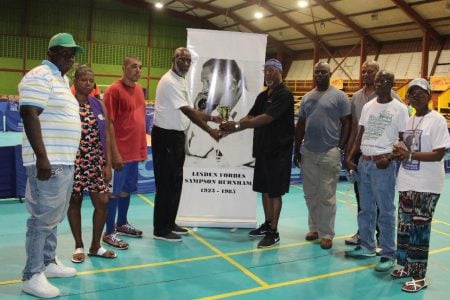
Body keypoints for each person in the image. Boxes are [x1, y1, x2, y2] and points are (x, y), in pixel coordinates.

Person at [18, 32, 83, 298]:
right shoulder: (39, 76)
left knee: (53, 216)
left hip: (63, 159)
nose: (69, 57)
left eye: (72, 53)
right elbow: (29, 113)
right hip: (48, 160)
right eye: (63, 52)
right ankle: (32, 274)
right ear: (50, 53)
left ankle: (48, 262)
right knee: (43, 218)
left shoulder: (61, 79)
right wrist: (42, 157)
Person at [220, 58, 294, 248]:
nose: (268, 74)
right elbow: (251, 116)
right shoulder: (263, 95)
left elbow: (265, 118)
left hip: (278, 152)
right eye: (266, 71)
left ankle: (274, 231)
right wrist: (231, 128)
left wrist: (236, 125)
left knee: (275, 192)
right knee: (264, 189)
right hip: (262, 150)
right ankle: (267, 223)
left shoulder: (284, 94)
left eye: (272, 70)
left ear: (280, 73)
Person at [152, 47, 221, 242]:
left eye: (188, 60)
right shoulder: (169, 82)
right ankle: (161, 229)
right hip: (166, 137)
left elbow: (193, 110)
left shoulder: (180, 81)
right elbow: (189, 112)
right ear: (173, 59)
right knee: (166, 184)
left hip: (176, 137)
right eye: (182, 59)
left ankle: (169, 222)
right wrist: (210, 131)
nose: (185, 63)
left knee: (175, 183)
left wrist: (212, 118)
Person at [345, 70, 409, 272]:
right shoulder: (367, 106)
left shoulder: (399, 109)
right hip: (364, 162)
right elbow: (360, 134)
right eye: (377, 80)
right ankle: (366, 245)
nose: (379, 83)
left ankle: (388, 253)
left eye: (384, 80)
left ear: (392, 83)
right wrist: (350, 156)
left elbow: (404, 140)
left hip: (383, 165)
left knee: (386, 210)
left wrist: (388, 157)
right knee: (366, 208)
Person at [391, 78, 450, 292]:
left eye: (420, 92)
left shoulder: (437, 120)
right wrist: (398, 154)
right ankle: (405, 266)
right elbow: (406, 150)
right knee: (405, 226)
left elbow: (438, 154)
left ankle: (419, 276)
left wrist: (410, 154)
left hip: (428, 184)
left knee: (419, 229)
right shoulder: (409, 120)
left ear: (429, 94)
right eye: (412, 93)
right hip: (407, 180)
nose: (416, 96)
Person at [293, 61, 351, 250]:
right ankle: (314, 228)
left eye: (323, 72)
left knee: (327, 195)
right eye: (316, 72)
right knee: (310, 194)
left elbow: (347, 123)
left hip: (329, 152)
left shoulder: (340, 96)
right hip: (308, 151)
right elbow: (300, 124)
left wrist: (340, 147)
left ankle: (327, 233)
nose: (319, 75)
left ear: (330, 74)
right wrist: (296, 149)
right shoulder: (307, 97)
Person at [67, 66, 117, 263]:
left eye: (91, 80)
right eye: (84, 80)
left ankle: (96, 245)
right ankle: (78, 245)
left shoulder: (98, 104)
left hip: (96, 160)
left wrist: (108, 163)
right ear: (75, 81)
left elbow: (106, 134)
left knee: (103, 203)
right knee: (75, 202)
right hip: (74, 161)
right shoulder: (67, 103)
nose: (88, 83)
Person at [102, 56, 148, 249]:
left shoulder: (139, 90)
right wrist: (115, 154)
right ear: (123, 68)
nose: (137, 70)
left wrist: (141, 148)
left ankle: (121, 223)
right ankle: (109, 232)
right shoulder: (113, 91)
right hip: (119, 153)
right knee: (113, 193)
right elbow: (108, 124)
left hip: (134, 151)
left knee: (126, 190)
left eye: (139, 67)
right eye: (133, 67)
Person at [186, 58, 254, 167]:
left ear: (230, 83)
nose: (204, 89)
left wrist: (225, 111)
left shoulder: (255, 106)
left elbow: (238, 157)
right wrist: (201, 114)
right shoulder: (217, 109)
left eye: (207, 81)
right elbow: (196, 149)